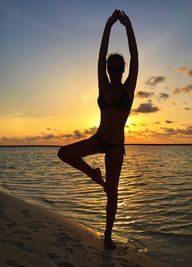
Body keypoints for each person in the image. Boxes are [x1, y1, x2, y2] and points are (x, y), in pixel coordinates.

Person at [57, 10, 138, 250]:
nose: (114, 73)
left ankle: (108, 236)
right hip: (99, 138)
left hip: (115, 147)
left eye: (117, 69)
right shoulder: (103, 85)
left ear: (122, 71)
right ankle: (93, 173)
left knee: (112, 193)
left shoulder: (128, 89)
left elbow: (134, 54)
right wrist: (108, 24)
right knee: (64, 153)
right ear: (107, 70)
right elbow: (101, 53)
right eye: (110, 69)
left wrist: (128, 25)